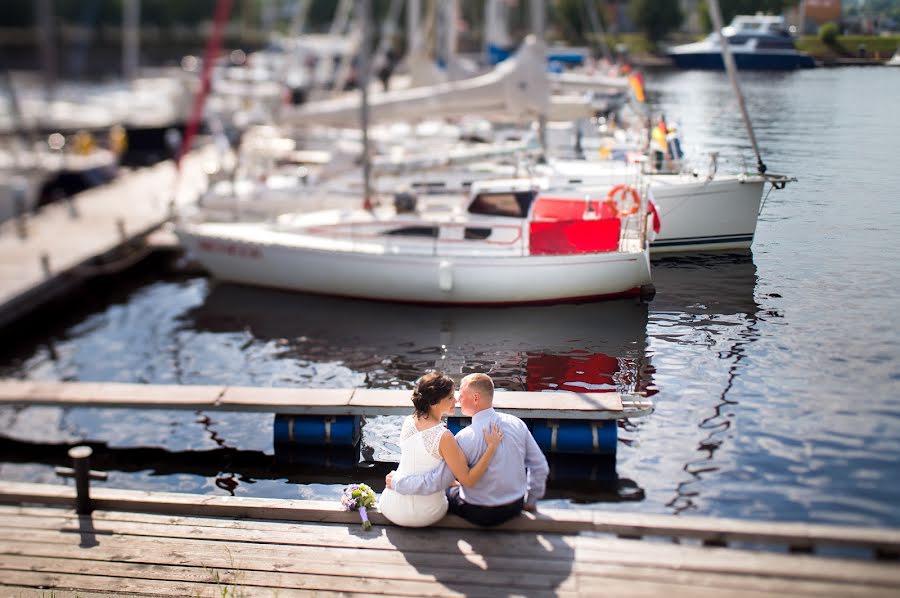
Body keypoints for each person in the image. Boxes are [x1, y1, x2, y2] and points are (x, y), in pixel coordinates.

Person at [387, 373, 549, 527]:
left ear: (475, 398)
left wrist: (396, 482)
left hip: (478, 512)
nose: (457, 400)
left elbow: (437, 481)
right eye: (453, 396)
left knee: (449, 489)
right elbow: (540, 465)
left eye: (461, 395)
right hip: (514, 506)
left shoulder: (464, 437)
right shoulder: (517, 423)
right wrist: (530, 501)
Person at [378, 372, 504, 527]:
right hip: (426, 514)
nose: (456, 399)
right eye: (450, 397)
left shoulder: (408, 422)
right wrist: (491, 447)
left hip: (391, 507)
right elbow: (467, 480)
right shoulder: (444, 437)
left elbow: (424, 465)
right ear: (434, 403)